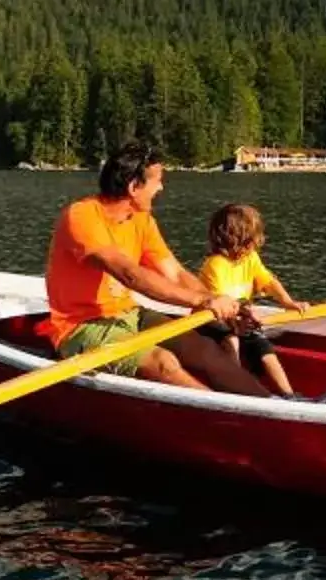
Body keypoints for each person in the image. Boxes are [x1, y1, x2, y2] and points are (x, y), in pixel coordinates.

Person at [44, 143, 261, 394]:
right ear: (134, 187)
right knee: (163, 363)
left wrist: (221, 303)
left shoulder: (142, 220)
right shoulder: (81, 216)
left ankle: (274, 406)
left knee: (207, 351)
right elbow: (129, 274)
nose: (161, 188)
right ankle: (233, 419)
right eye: (157, 181)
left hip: (130, 315)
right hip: (79, 327)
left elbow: (175, 273)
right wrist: (202, 300)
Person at [200, 202, 306, 397]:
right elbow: (223, 304)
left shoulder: (251, 258)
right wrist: (240, 319)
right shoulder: (215, 265)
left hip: (241, 319)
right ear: (240, 239)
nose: (259, 241)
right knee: (231, 340)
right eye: (255, 237)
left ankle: (290, 395)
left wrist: (288, 302)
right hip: (214, 321)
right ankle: (235, 387)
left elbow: (268, 282)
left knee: (262, 346)